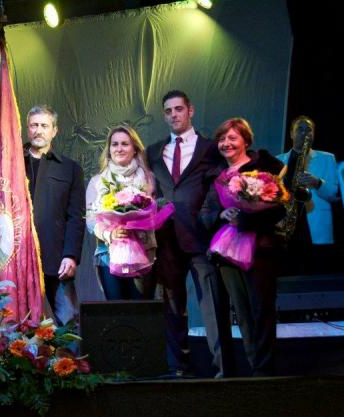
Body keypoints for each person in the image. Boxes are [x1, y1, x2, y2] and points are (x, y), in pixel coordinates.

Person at [146, 90, 232, 377]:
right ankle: (178, 368)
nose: (174, 115)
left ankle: (224, 370)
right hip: (167, 241)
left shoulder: (211, 149)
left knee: (213, 306)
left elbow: (220, 187)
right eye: (168, 111)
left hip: (202, 238)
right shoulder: (153, 152)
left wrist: (210, 217)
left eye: (179, 109)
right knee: (172, 308)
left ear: (190, 111)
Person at [201, 118, 285, 376]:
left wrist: (247, 218)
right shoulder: (217, 176)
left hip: (260, 250)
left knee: (262, 310)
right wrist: (221, 215)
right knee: (242, 313)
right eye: (222, 139)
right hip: (227, 254)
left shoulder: (263, 169)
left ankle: (264, 370)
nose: (226, 143)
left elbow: (280, 209)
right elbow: (205, 212)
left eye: (232, 138)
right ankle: (253, 367)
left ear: (246, 141)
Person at [24, 104, 85, 325]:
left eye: (44, 125)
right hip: (20, 257)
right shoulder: (12, 165)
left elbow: (76, 217)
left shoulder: (70, 168)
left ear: (54, 131)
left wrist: (71, 255)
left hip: (56, 258)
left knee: (68, 324)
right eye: (34, 125)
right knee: (19, 326)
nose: (38, 130)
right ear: (27, 129)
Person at [85, 125, 156, 300]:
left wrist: (138, 223)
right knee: (116, 311)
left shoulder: (149, 179)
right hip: (108, 256)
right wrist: (110, 234)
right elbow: (91, 219)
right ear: (109, 150)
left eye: (125, 144)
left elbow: (154, 213)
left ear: (135, 149)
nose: (119, 148)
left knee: (141, 310)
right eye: (115, 144)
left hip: (143, 253)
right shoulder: (97, 182)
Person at [276, 116, 338, 274]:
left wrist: (317, 182)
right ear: (291, 134)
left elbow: (334, 194)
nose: (305, 133)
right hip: (286, 229)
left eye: (309, 130)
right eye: (300, 129)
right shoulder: (278, 161)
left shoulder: (327, 159)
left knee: (317, 278)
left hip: (315, 230)